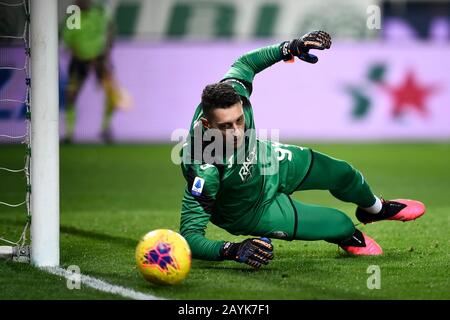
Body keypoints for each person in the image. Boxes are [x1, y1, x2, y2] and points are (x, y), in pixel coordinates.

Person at [179, 31, 426, 269]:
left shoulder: (235, 92)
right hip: (252, 209)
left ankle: (375, 209)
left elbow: (245, 62)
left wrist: (291, 47)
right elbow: (189, 237)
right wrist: (232, 250)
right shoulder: (203, 169)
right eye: (226, 126)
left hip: (267, 160)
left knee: (343, 173)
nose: (237, 131)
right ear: (206, 124)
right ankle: (347, 236)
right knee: (339, 223)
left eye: (240, 121)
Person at [61, 0, 130, 143]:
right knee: (71, 94)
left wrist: (106, 50)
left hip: (100, 59)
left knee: (111, 93)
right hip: (80, 60)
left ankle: (106, 128)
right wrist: (81, 54)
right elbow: (68, 40)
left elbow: (110, 29)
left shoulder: (99, 14)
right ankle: (69, 133)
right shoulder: (73, 17)